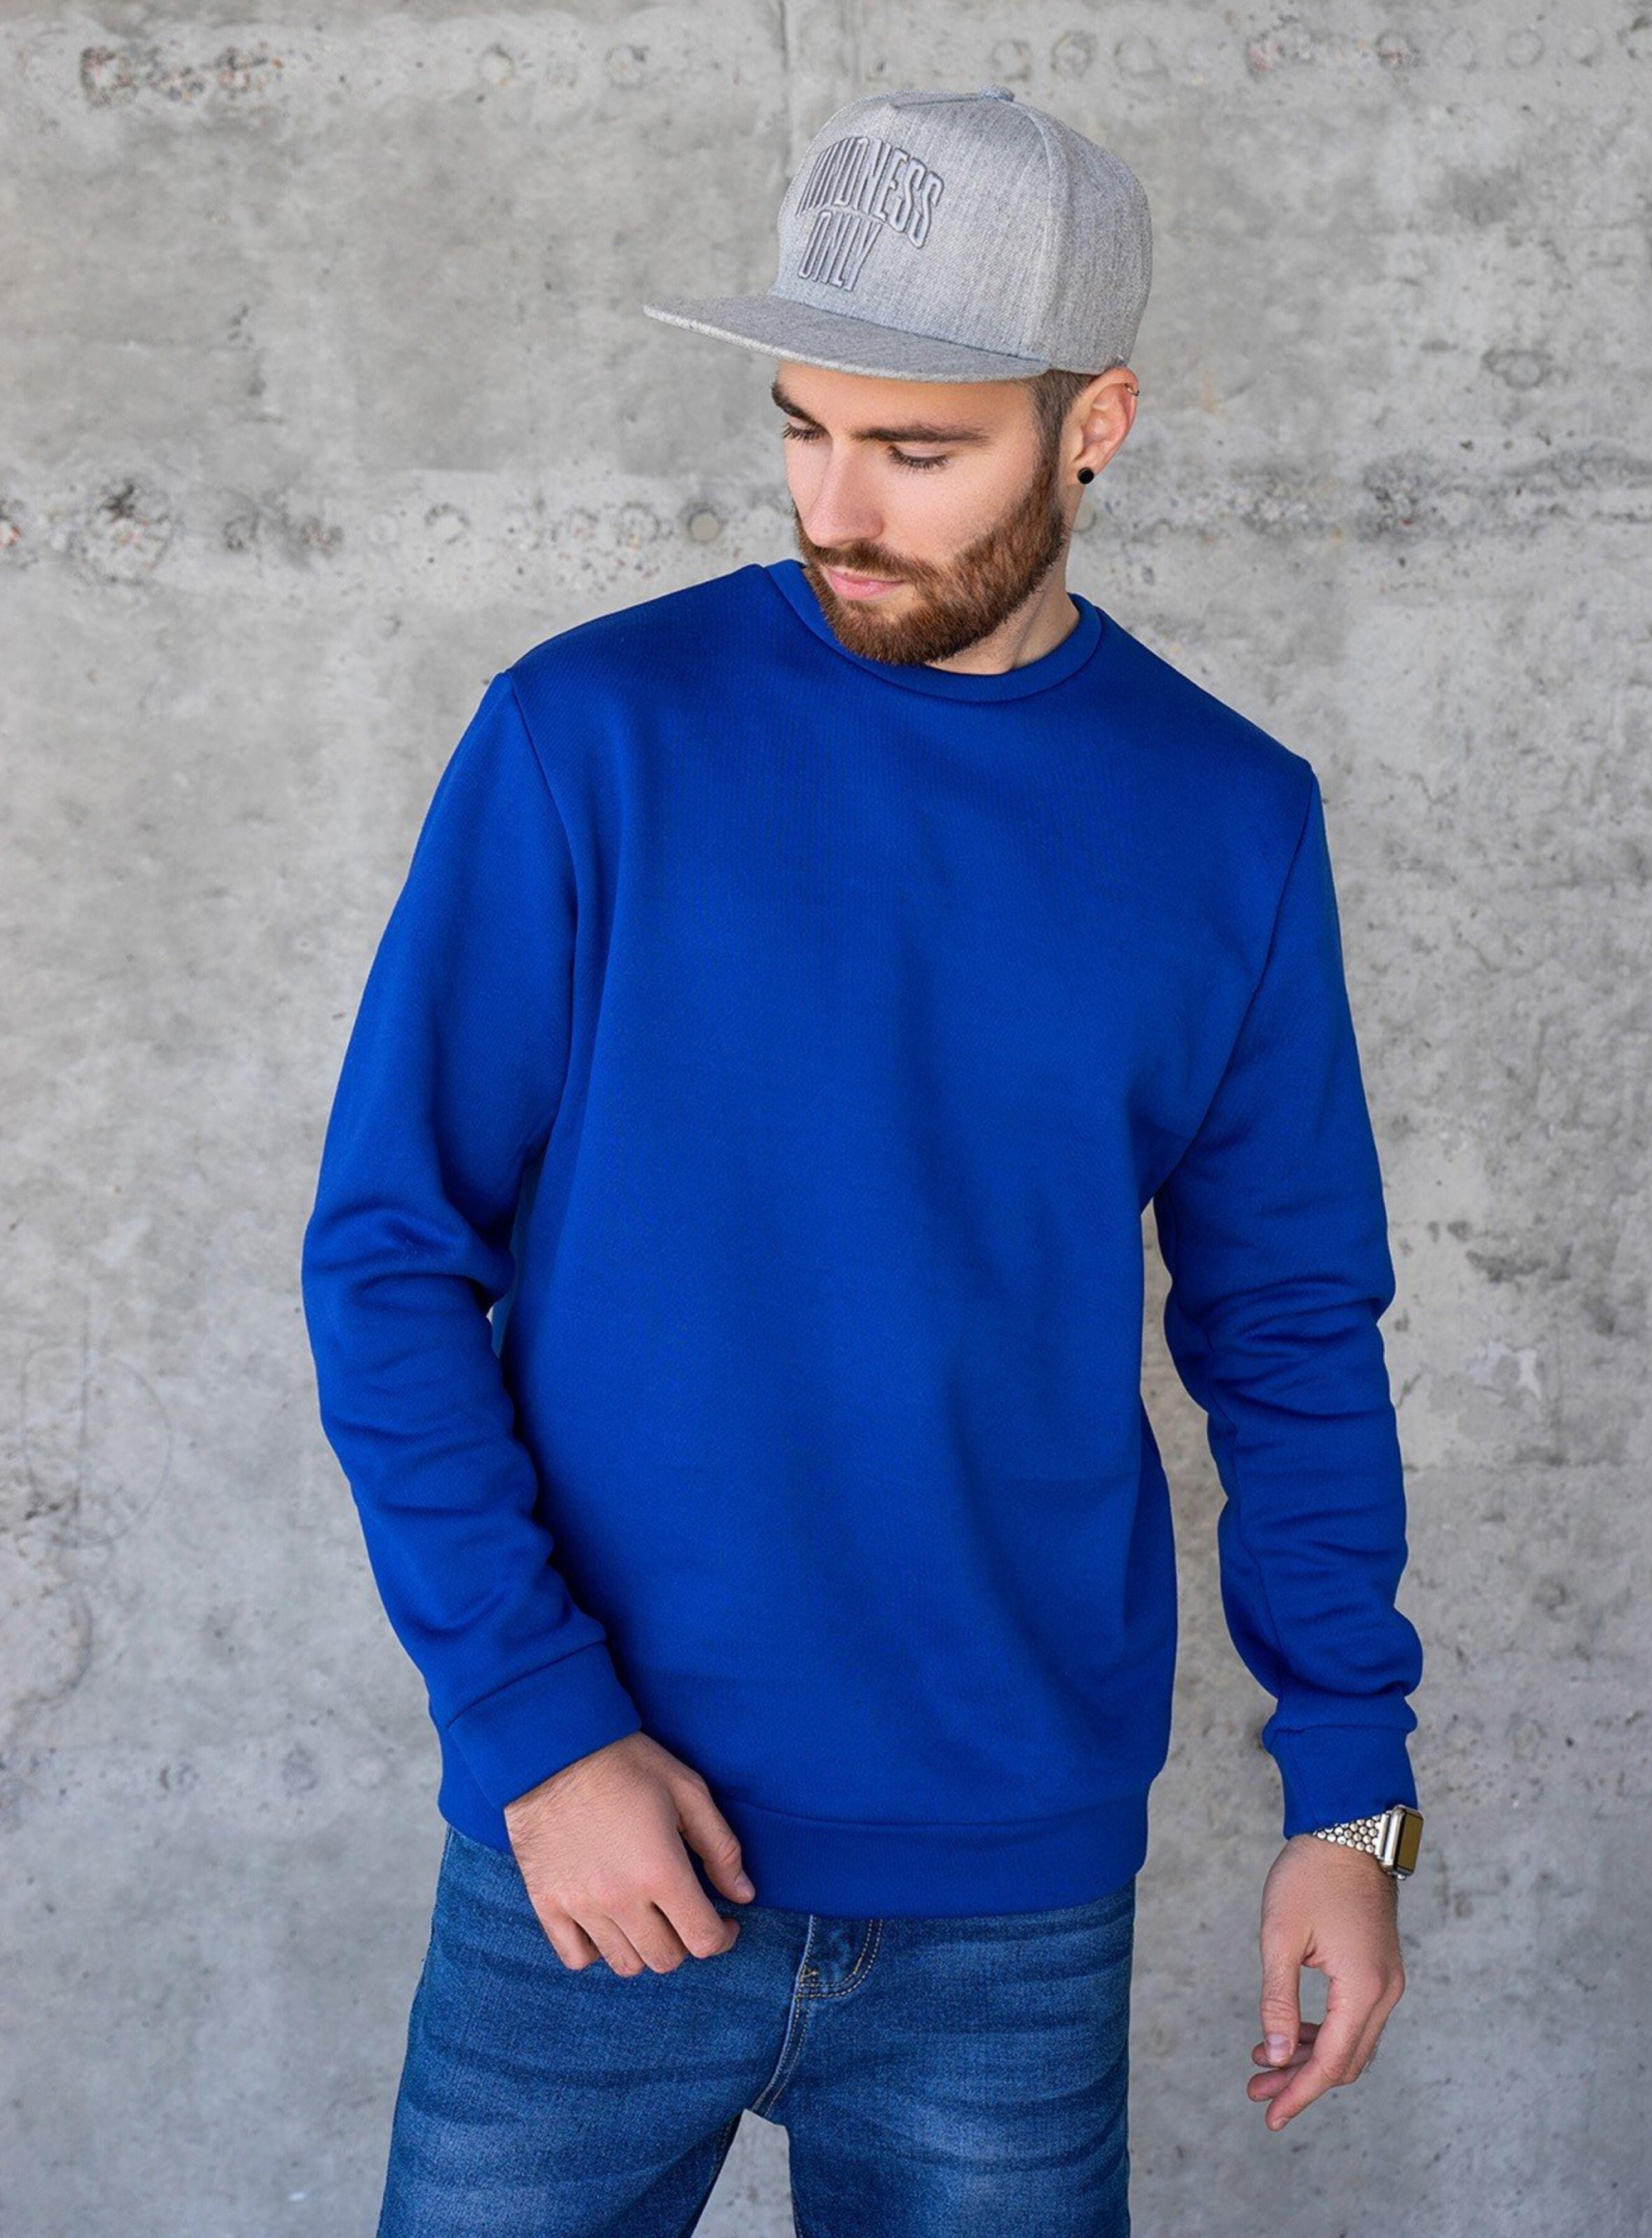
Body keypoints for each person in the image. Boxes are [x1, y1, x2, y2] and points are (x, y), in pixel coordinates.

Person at [300, 82, 1425, 2237]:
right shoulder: (588, 736)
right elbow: (387, 1253)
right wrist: (535, 1729)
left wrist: (1350, 1801)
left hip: (1009, 1906)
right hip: (593, 1849)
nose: (838, 506)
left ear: (1093, 427)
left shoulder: (1226, 819)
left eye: (918, 450)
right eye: (803, 430)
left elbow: (1288, 1328)